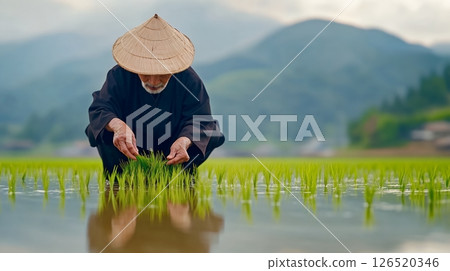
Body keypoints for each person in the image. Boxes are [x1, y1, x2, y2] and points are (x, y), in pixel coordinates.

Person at [85, 14, 224, 176]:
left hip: (172, 151)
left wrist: (185, 141)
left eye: (162, 74)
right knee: (102, 129)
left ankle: (176, 176)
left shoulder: (189, 80)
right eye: (146, 73)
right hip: (129, 151)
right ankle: (119, 178)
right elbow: (100, 108)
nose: (153, 81)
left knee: (212, 133)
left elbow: (202, 120)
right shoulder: (119, 76)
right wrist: (118, 126)